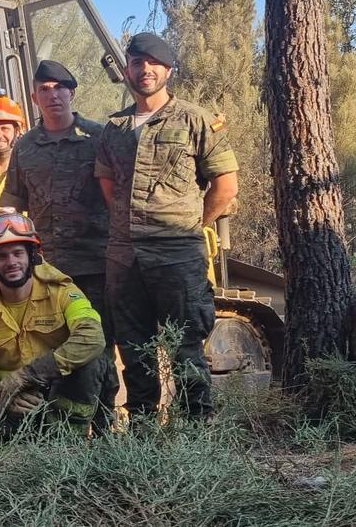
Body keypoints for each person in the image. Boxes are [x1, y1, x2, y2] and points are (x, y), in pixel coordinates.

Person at [95, 32, 239, 420]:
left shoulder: (195, 119)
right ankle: (142, 436)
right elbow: (106, 180)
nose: (145, 70)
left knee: (186, 349)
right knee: (134, 348)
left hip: (177, 254)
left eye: (153, 63)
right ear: (127, 69)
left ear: (168, 70)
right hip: (125, 257)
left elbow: (225, 185)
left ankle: (194, 436)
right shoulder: (116, 128)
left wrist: (192, 225)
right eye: (137, 63)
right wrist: (127, 224)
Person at [0, 60, 117, 421]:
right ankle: (61, 431)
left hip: (95, 266)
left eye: (59, 88)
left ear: (72, 92)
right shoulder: (25, 147)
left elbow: (118, 197)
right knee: (53, 349)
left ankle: (104, 425)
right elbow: (12, 203)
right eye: (44, 89)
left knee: (98, 349)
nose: (53, 96)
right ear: (34, 98)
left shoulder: (98, 138)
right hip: (46, 272)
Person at [0, 212, 106, 450]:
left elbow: (92, 336)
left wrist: (27, 376)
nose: (11, 262)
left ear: (32, 256)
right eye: (2, 256)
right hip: (11, 405)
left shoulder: (61, 292)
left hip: (58, 399)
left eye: (18, 253)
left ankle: (69, 446)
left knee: (93, 360)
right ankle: (12, 456)